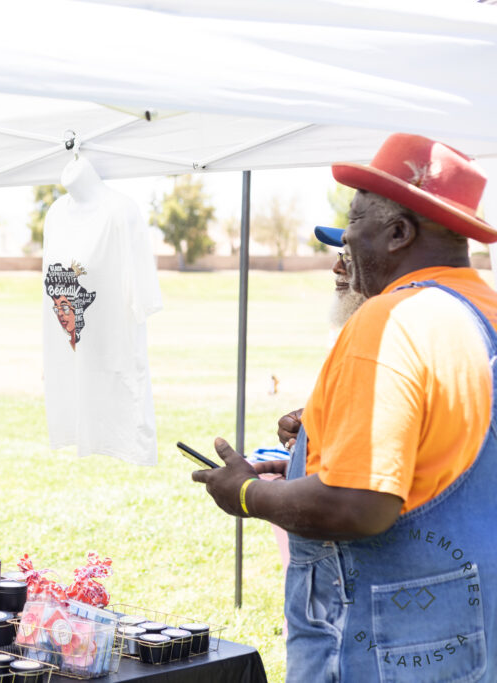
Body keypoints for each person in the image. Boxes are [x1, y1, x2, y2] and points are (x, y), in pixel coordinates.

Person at [194, 133, 497, 681]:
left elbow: (361, 505)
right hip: (472, 630)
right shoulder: (485, 311)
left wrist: (246, 492)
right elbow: (448, 454)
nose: (346, 238)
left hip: (382, 642)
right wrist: (308, 464)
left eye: (354, 220)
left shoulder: (389, 320)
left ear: (399, 233)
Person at [277, 231, 367, 449]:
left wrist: (250, 486)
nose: (337, 268)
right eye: (340, 255)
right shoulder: (353, 330)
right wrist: (312, 421)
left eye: (349, 257)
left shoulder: (392, 336)